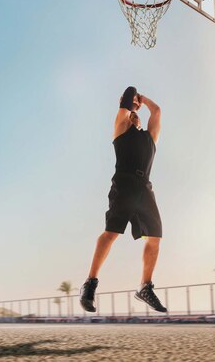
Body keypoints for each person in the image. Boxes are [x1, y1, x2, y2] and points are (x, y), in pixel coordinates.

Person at [79, 86, 167, 313]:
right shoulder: (120, 129)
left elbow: (156, 111)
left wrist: (143, 100)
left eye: (136, 114)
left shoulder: (150, 137)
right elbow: (129, 93)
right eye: (131, 112)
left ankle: (145, 287)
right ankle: (90, 283)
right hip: (124, 184)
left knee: (155, 237)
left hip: (144, 188)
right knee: (111, 233)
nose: (134, 115)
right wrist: (134, 100)